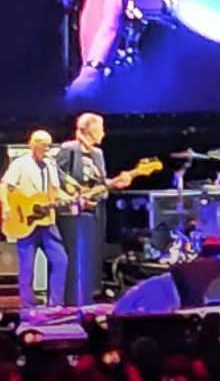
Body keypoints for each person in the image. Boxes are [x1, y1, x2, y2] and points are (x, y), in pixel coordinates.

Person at [56, 113, 134, 306]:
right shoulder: (69, 149)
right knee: (74, 259)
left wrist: (116, 183)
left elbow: (100, 183)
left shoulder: (98, 154)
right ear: (89, 130)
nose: (104, 133)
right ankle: (69, 300)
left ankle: (89, 296)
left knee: (91, 256)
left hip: (95, 212)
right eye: (101, 128)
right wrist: (73, 195)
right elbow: (57, 178)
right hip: (73, 214)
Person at [0, 130, 68, 310]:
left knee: (61, 260)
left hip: (47, 221)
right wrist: (6, 206)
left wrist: (73, 198)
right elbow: (4, 185)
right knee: (27, 267)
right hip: (25, 221)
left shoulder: (51, 165)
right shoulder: (21, 163)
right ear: (33, 145)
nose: (47, 149)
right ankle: (28, 306)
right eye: (44, 145)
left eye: (49, 146)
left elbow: (55, 191)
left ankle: (55, 304)